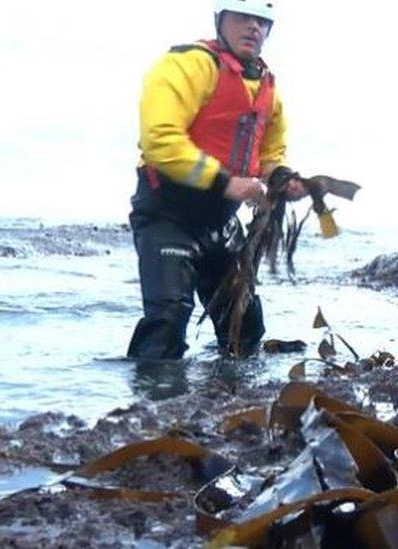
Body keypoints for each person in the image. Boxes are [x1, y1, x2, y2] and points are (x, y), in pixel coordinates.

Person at [127, 0, 311, 359]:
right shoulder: (184, 65)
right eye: (243, 17)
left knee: (245, 324)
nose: (253, 27)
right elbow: (159, 139)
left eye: (262, 21)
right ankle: (147, 409)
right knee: (168, 317)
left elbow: (271, 155)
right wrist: (224, 182)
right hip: (168, 217)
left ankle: (233, 400)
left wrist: (284, 180)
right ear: (220, 21)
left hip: (221, 223)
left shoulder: (266, 88)